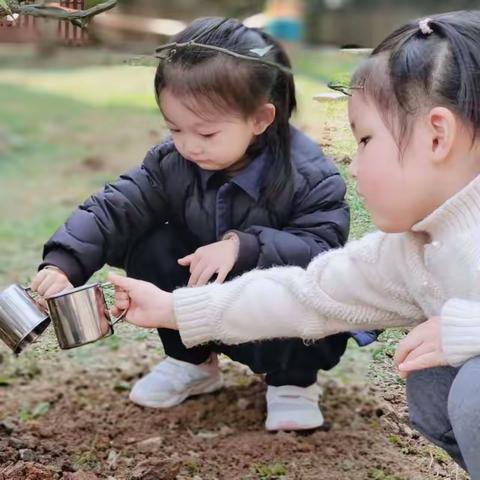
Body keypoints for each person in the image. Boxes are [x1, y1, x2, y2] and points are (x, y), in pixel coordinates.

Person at [108, 11, 480, 476]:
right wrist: (172, 310)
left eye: (366, 140)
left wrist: (468, 327)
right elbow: (307, 293)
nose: (356, 166)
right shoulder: (411, 247)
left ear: (437, 135)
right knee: (437, 384)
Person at [30, 17, 368, 431]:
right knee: (151, 241)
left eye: (206, 133)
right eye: (175, 128)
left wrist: (244, 247)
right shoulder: (173, 162)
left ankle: (292, 384)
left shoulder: (309, 175)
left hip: (277, 316)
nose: (189, 145)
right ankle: (193, 362)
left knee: (303, 289)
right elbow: (116, 206)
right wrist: (63, 262)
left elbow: (322, 250)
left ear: (261, 119)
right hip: (199, 299)